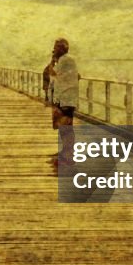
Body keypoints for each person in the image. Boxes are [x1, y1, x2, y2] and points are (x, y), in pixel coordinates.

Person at [49, 38, 79, 171]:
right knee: (64, 128)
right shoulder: (67, 60)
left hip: (65, 99)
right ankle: (66, 153)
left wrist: (53, 60)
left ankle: (68, 157)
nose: (54, 49)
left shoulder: (65, 60)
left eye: (56, 47)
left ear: (62, 48)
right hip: (65, 98)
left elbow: (52, 72)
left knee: (66, 128)